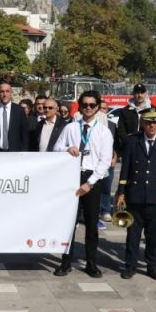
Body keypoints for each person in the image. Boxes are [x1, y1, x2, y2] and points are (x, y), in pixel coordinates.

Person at [52, 90, 114, 278]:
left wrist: (90, 183)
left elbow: (105, 162)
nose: (88, 108)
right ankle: (66, 262)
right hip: (71, 177)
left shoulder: (104, 132)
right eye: (84, 105)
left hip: (92, 180)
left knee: (91, 224)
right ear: (80, 106)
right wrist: (66, 149)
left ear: (97, 108)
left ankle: (91, 263)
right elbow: (55, 149)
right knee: (68, 223)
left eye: (92, 105)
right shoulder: (71, 128)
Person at [117, 107, 156, 281]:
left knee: (154, 235)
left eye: (155, 122)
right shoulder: (132, 141)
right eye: (148, 122)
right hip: (135, 195)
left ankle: (153, 266)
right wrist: (121, 191)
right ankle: (130, 266)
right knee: (133, 234)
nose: (151, 126)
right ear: (142, 123)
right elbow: (126, 168)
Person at [0, 82, 30, 152]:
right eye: (2, 91)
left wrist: (24, 152)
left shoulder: (19, 111)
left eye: (7, 91)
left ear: (11, 93)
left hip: (14, 152)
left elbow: (24, 134)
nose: (4, 94)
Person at [115, 83, 149, 160]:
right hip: (129, 147)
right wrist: (128, 142)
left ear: (146, 94)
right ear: (133, 94)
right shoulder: (125, 110)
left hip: (147, 147)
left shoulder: (152, 109)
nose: (139, 95)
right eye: (137, 93)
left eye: (142, 93)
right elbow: (121, 130)